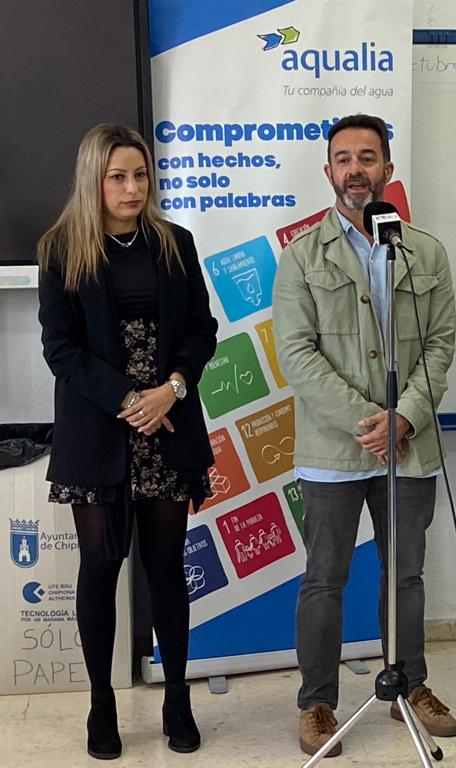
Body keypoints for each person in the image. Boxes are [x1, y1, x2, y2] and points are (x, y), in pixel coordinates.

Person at [272, 114, 456, 758]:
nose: (356, 170)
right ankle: (316, 702)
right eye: (344, 159)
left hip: (410, 444)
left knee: (405, 575)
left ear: (387, 168)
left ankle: (410, 684)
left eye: (368, 157)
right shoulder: (301, 256)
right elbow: (297, 355)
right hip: (333, 450)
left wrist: (405, 416)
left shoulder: (424, 252)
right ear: (329, 171)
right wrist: (368, 422)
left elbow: (440, 345)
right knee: (324, 578)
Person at [37, 123, 217, 759]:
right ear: (94, 179)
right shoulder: (61, 249)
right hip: (98, 428)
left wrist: (173, 387)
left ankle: (177, 697)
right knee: (99, 567)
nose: (132, 187)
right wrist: (127, 400)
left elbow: (202, 329)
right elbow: (60, 348)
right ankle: (101, 703)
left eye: (140, 175)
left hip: (168, 423)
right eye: (118, 176)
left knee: (166, 567)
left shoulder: (175, 242)